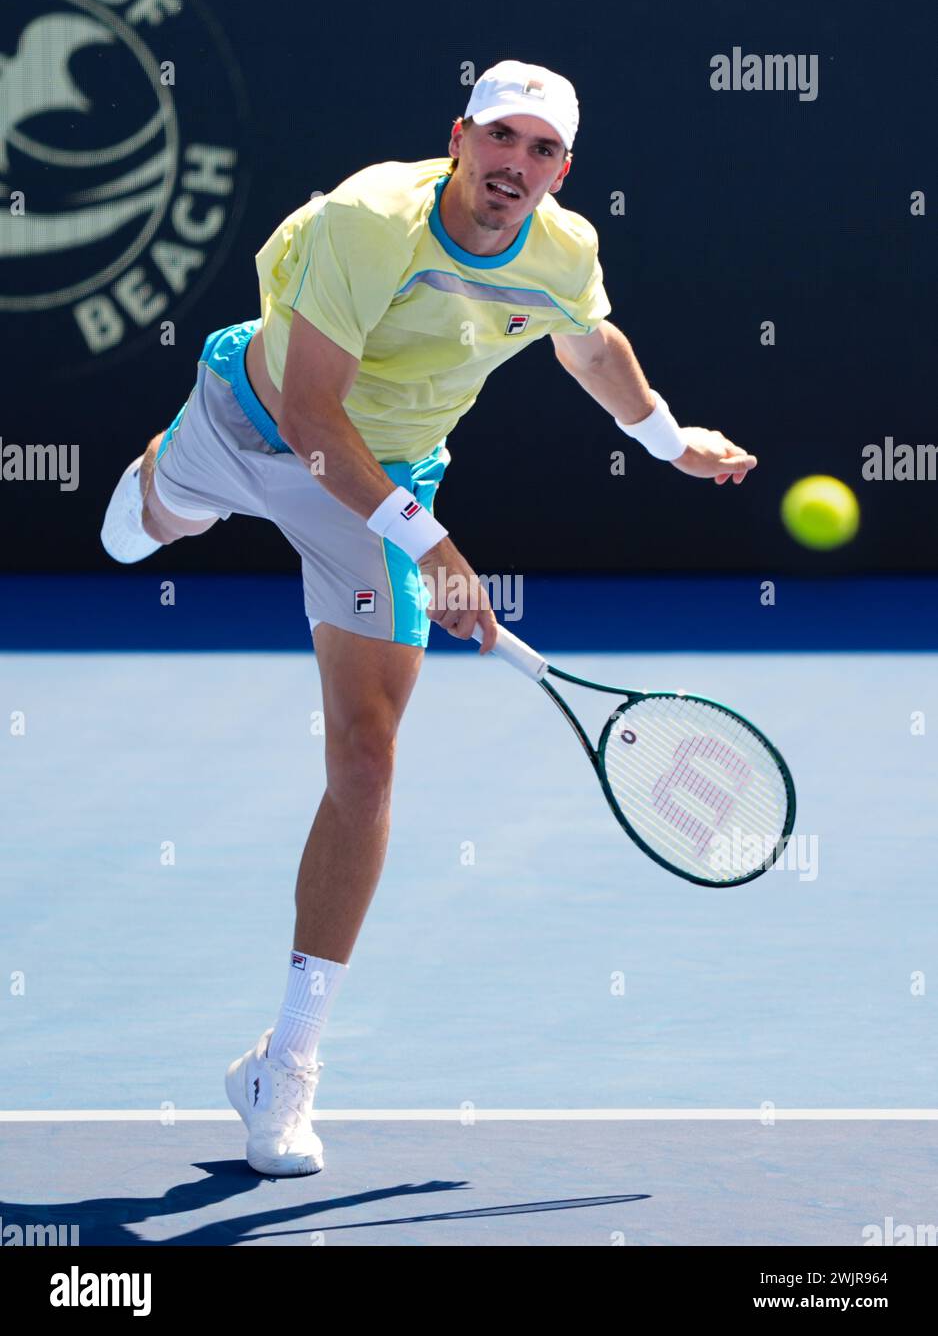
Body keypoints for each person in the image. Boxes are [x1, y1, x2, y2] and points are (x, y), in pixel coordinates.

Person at [100, 59, 757, 1178]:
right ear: (458, 138)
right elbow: (312, 417)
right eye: (502, 139)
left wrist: (664, 437)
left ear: (562, 168)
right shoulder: (372, 218)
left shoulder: (561, 250)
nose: (519, 166)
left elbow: (587, 342)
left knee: (365, 755)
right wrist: (437, 549)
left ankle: (283, 1064)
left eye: (544, 151)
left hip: (381, 477)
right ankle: (173, 487)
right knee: (144, 528)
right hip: (256, 417)